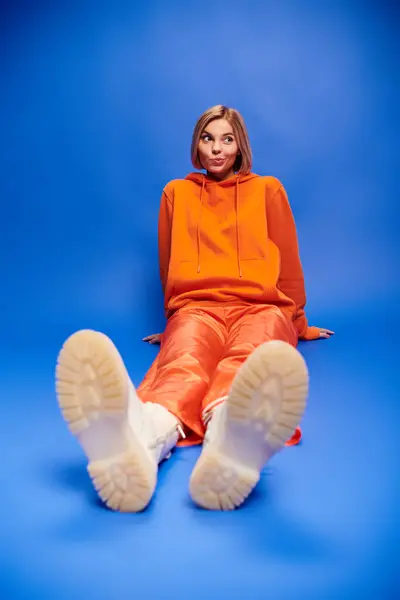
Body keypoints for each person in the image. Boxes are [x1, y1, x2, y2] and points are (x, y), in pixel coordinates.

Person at [55, 105, 334, 513]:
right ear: (196, 145)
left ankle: (229, 442)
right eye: (208, 138)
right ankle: (141, 440)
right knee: (183, 362)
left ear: (240, 146)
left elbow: (288, 264)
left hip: (261, 307)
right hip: (196, 308)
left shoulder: (269, 190)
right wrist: (175, 322)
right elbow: (170, 264)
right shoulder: (177, 194)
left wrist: (299, 323)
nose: (217, 149)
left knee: (248, 361)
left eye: (227, 139)